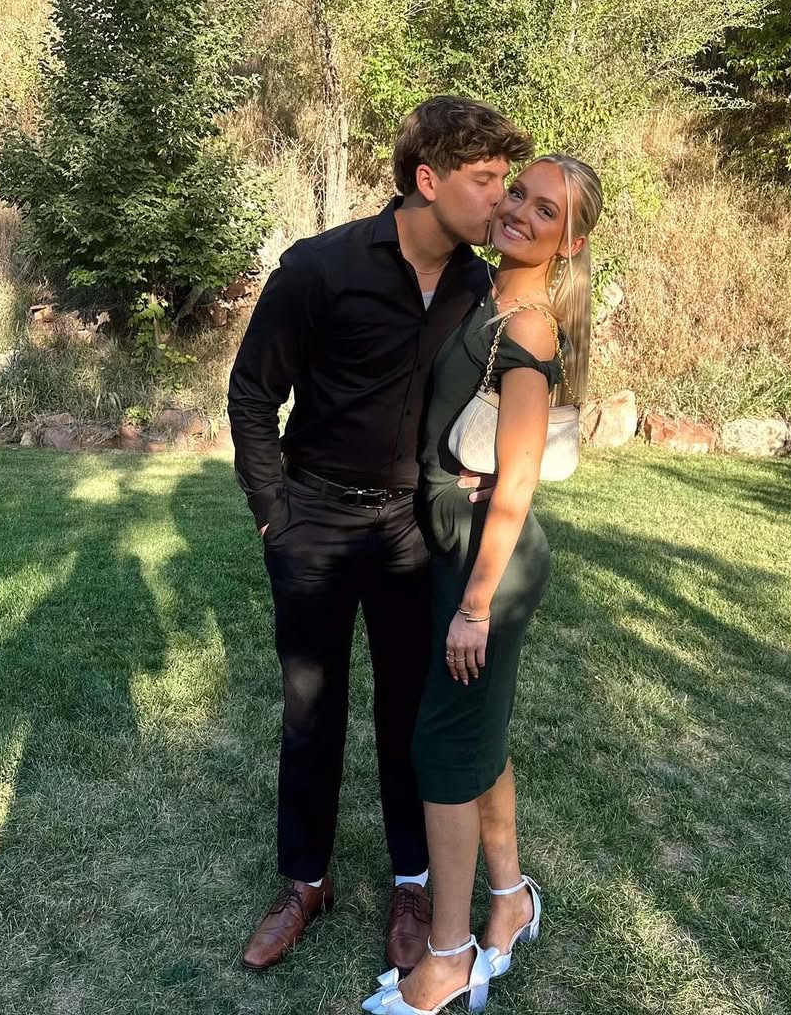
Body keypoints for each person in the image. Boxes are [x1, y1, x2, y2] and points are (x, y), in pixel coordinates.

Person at [226, 97, 533, 976]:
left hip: (412, 531)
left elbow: (504, 398)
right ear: (428, 179)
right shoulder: (320, 268)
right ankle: (305, 882)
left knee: (410, 712)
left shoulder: (478, 288)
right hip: (314, 520)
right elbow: (252, 393)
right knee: (310, 708)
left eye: (506, 181)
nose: (500, 198)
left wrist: (474, 471)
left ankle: (411, 885)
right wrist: (272, 511)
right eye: (485, 180)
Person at [362, 155, 604, 1015]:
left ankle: (448, 958)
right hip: (454, 546)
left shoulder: (529, 328)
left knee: (441, 753)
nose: (520, 213)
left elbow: (520, 478)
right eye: (519, 194)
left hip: (486, 566)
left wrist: (474, 604)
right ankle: (510, 901)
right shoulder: (483, 293)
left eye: (546, 212)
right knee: (478, 739)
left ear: (568, 241)